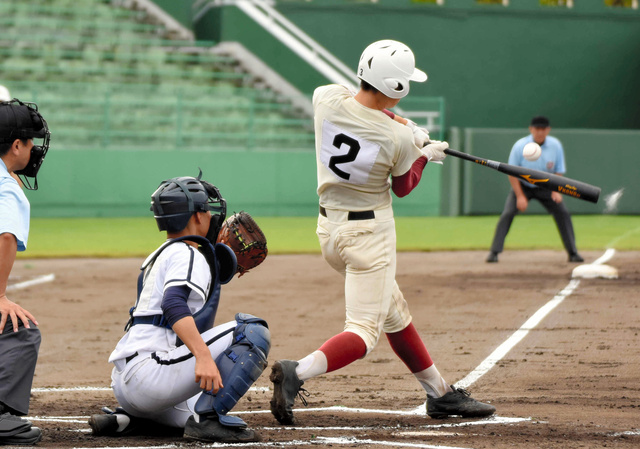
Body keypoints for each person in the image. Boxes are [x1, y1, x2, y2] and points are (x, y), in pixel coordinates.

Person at [269, 39, 495, 425]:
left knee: (395, 312)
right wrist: (425, 154)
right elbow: (404, 185)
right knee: (362, 334)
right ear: (397, 87)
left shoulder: (325, 99)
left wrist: (407, 127)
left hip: (329, 232)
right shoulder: (397, 139)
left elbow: (365, 111)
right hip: (370, 237)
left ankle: (439, 394)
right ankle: (297, 371)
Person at [88, 173, 271, 443]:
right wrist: (204, 357)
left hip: (129, 386)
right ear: (196, 216)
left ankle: (130, 419)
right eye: (207, 210)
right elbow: (173, 305)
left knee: (188, 409)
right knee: (252, 331)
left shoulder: (163, 253)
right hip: (151, 376)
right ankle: (208, 421)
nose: (211, 216)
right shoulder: (188, 254)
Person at [0, 98, 51, 445]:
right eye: (30, 142)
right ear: (16, 145)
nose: (33, 150)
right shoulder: (7, 188)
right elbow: (5, 234)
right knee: (20, 329)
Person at [486, 116, 583, 263]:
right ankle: (494, 252)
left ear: (548, 130)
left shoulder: (555, 145)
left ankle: (573, 252)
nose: (540, 132)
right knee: (508, 213)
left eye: (543, 129)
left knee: (562, 213)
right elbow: (512, 173)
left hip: (547, 185)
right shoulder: (520, 146)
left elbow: (558, 171)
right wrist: (519, 196)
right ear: (531, 129)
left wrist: (556, 191)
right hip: (523, 186)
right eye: (537, 129)